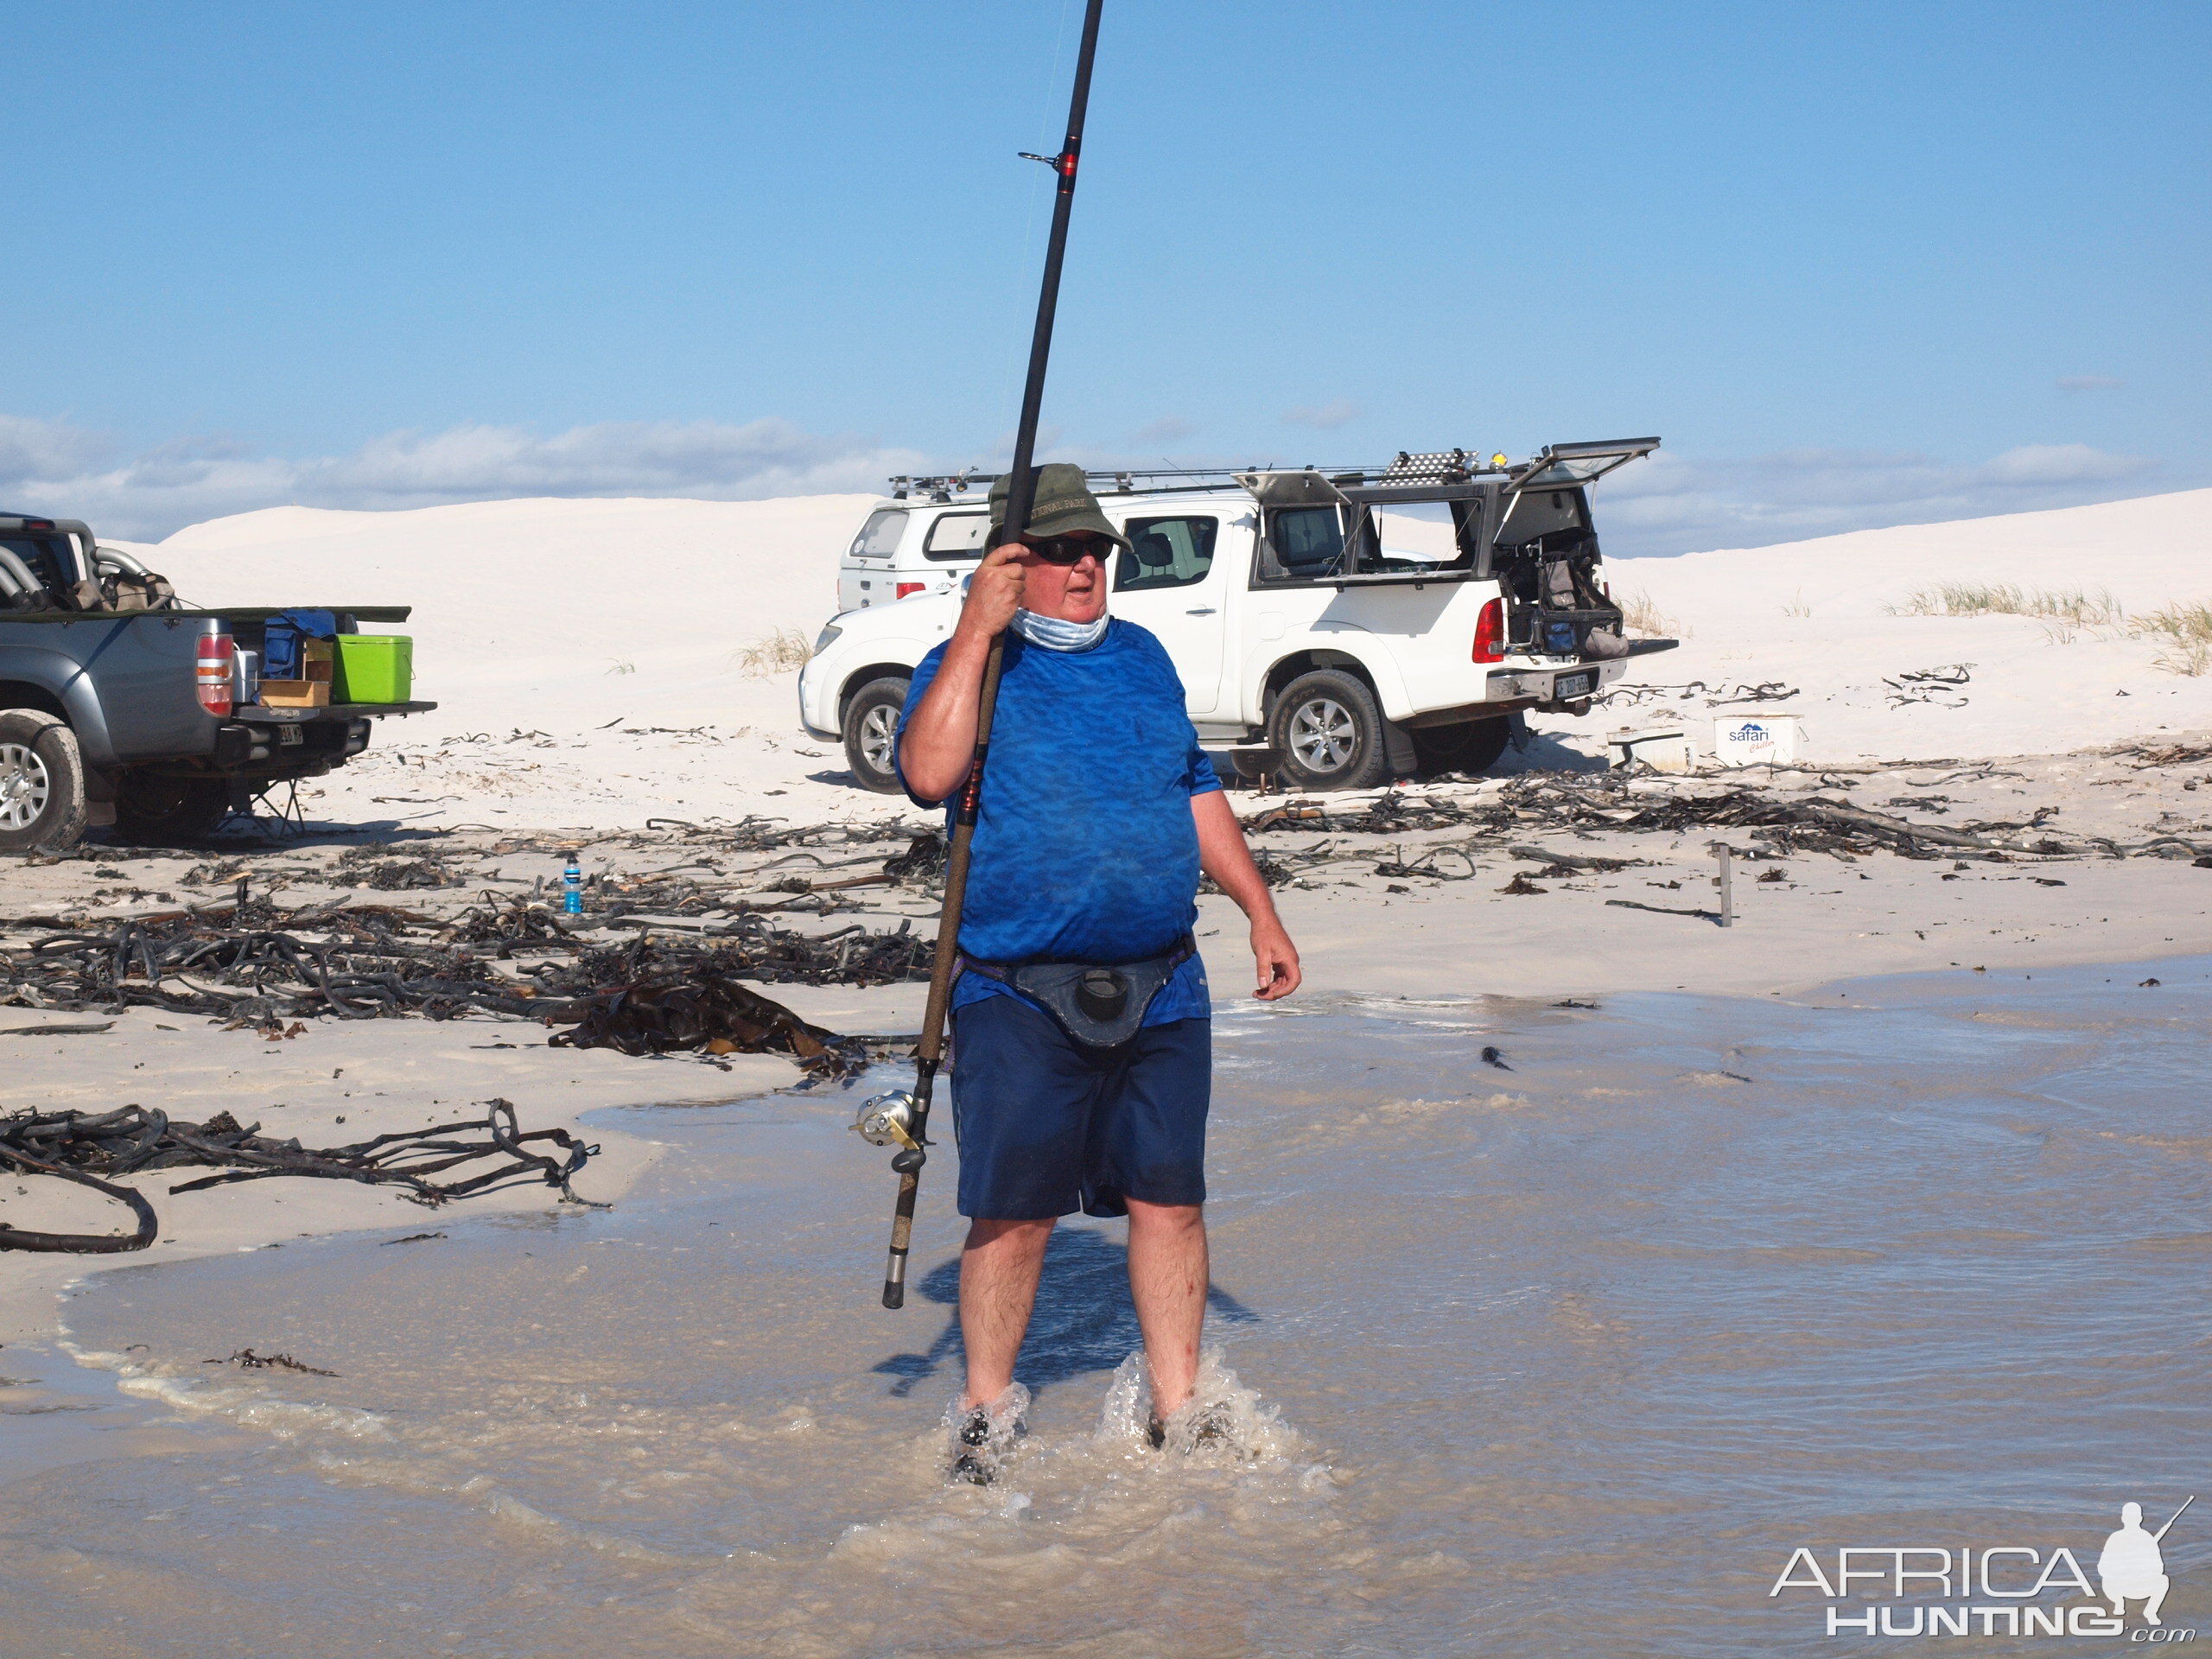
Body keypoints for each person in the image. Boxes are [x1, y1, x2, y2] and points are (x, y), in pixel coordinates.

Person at [896, 463, 1300, 1482]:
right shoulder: (967, 667)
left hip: (1163, 979)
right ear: (1011, 566)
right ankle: (986, 1415)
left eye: (1095, 550)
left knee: (1172, 1201)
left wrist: (1259, 910)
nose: (1085, 567)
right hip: (1013, 987)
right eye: (1060, 551)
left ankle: (1182, 1409)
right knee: (1015, 1210)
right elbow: (928, 775)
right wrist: (975, 634)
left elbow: (1194, 790)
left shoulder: (1144, 659)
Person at [2097, 1502, 2171, 1625]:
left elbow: (2102, 1568)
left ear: (2123, 1519)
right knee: (2163, 1580)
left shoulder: (2116, 1537)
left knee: (2106, 1579)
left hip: (2125, 1587)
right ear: (2140, 1519)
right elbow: (2159, 1569)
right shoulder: (2146, 1538)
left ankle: (2140, 1609)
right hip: (2134, 1587)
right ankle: (2123, 1604)